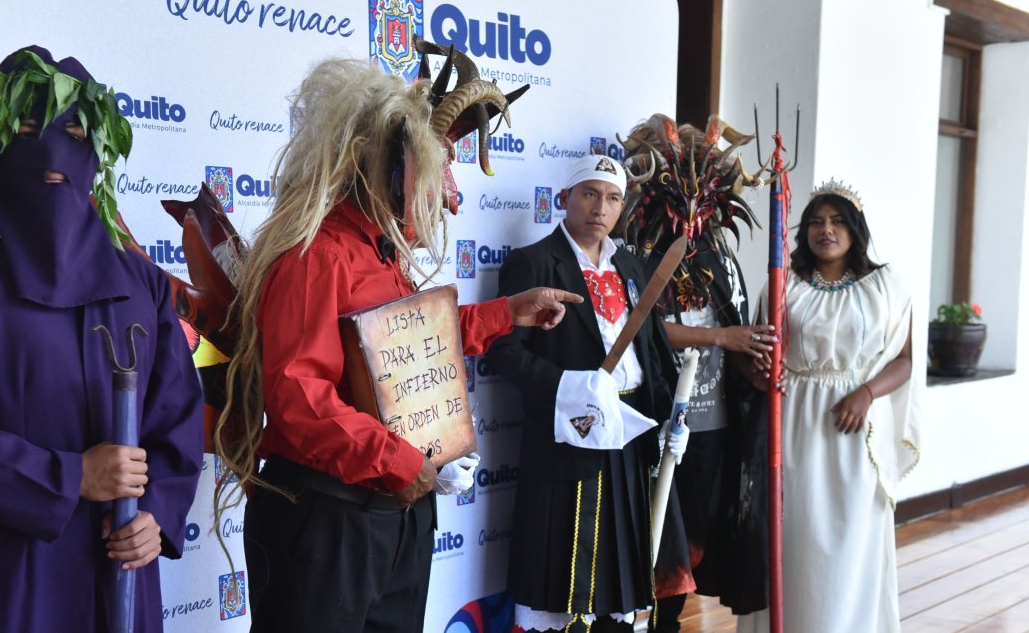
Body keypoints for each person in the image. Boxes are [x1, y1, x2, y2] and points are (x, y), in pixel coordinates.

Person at [217, 45, 579, 633]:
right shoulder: (317, 256)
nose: (448, 191)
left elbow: (404, 348)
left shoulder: (381, 252)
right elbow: (298, 396)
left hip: (393, 514)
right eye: (436, 168)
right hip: (328, 519)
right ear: (390, 165)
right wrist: (395, 458)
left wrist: (506, 313)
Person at [0, 46, 204, 633]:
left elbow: (177, 417)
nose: (53, 158)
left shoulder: (141, 285)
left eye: (75, 133)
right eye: (29, 131)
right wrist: (69, 477)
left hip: (118, 576)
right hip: (1, 580)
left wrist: (156, 513)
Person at [486, 154, 690, 633]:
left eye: (613, 198)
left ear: (623, 209)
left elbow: (653, 351)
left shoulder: (634, 266)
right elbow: (504, 355)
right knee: (560, 588)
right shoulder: (533, 263)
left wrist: (668, 417)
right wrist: (570, 388)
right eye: (590, 194)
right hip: (565, 444)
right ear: (565, 199)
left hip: (629, 439)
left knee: (620, 583)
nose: (600, 207)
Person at [618, 115, 779, 628]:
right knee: (659, 539)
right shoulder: (638, 251)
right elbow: (638, 330)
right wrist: (721, 338)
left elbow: (732, 327)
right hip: (658, 417)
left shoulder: (723, 254)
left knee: (699, 543)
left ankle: (670, 623)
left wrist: (750, 367)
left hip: (714, 421)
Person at [737, 181, 918, 633]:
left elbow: (906, 360)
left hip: (855, 430)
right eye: (816, 221)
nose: (826, 230)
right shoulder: (785, 283)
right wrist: (761, 375)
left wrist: (868, 392)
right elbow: (752, 352)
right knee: (795, 541)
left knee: (849, 542)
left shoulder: (886, 285)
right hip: (792, 423)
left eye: (837, 221)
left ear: (855, 229)